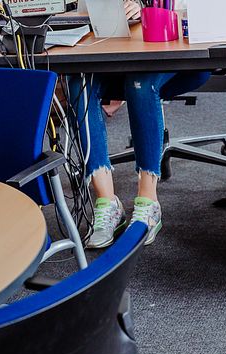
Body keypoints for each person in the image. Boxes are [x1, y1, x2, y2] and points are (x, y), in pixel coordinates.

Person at [67, 0, 188, 248]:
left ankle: (148, 202)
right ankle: (107, 203)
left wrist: (148, 11)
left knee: (141, 84)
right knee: (78, 85)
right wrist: (110, 12)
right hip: (111, 48)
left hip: (171, 44)